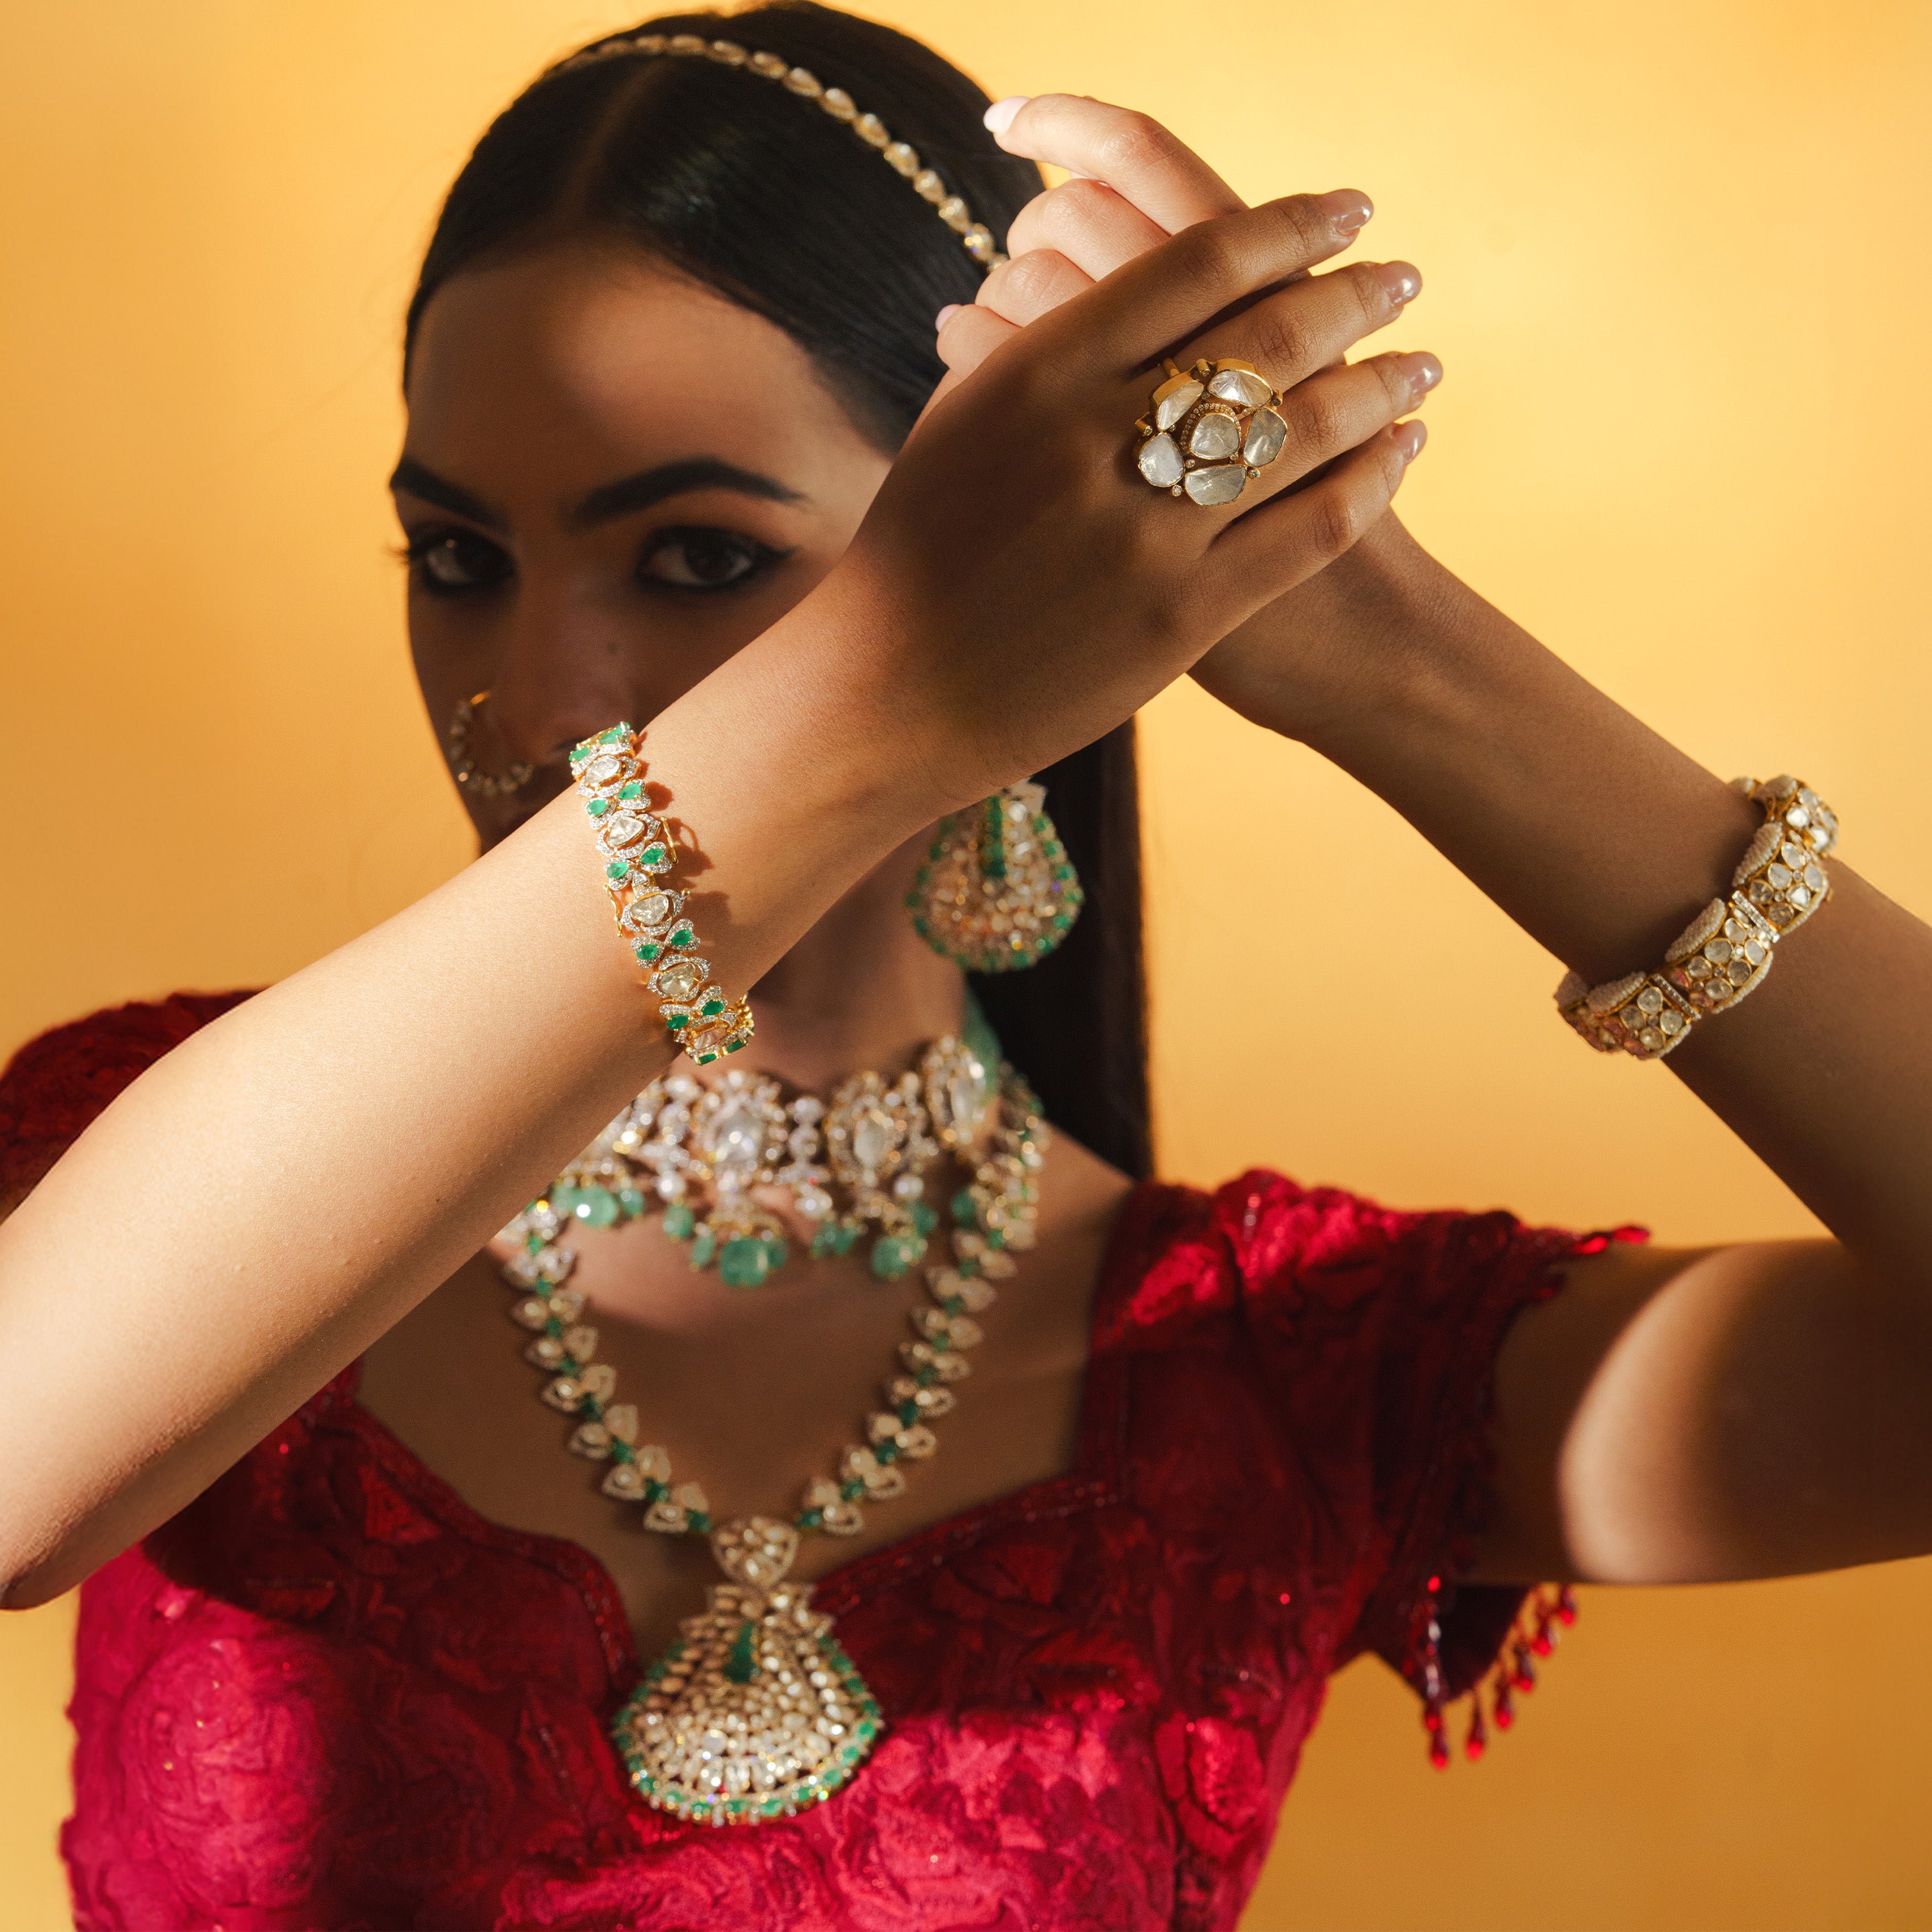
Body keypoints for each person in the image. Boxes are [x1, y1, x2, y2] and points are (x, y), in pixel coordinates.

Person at [4, 4, 1930, 1926]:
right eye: (455, 557)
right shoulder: (133, 1179)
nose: (548, 698)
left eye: (691, 557)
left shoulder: (1299, 1374)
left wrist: (1395, 653)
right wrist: (880, 695)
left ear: (1040, 574)